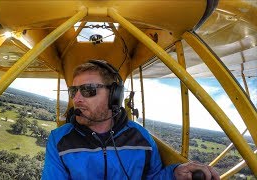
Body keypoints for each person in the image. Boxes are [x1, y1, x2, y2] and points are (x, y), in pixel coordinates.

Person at [42, 60, 220, 180]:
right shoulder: (59, 139)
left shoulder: (140, 136)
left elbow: (153, 177)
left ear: (114, 96)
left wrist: (175, 173)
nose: (77, 99)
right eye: (74, 91)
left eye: (88, 90)